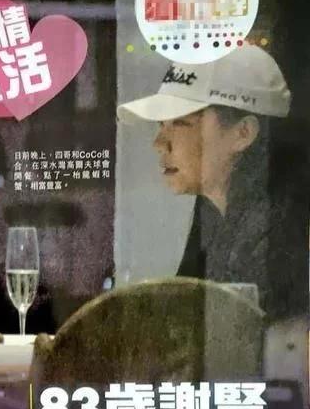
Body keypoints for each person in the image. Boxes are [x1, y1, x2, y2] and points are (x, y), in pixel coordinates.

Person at [117, 45, 308, 320]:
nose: (159, 143)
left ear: (243, 133)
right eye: (161, 124)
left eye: (181, 123)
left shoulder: (286, 234)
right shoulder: (216, 213)